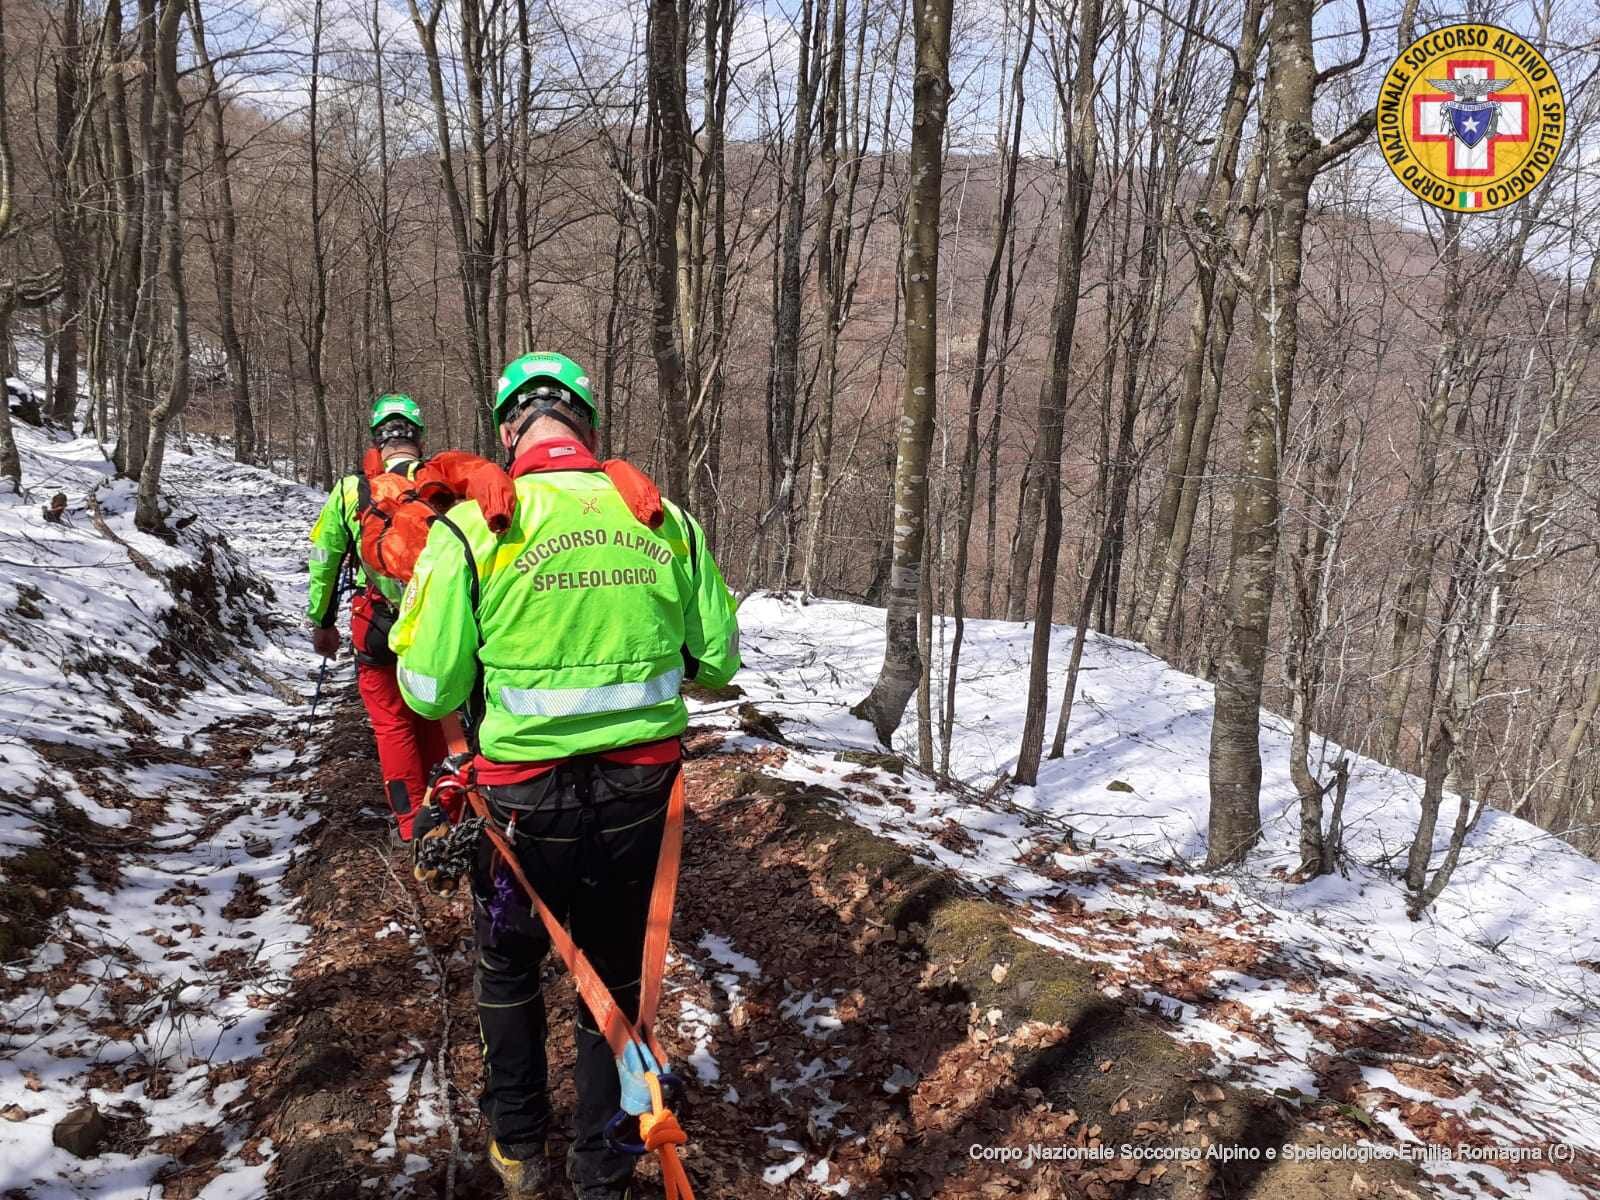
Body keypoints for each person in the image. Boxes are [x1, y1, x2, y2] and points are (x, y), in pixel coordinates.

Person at [391, 352, 739, 1200]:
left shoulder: (471, 530)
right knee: (612, 978)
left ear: (509, 430)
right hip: (636, 797)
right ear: (586, 426)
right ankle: (601, 1168)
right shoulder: (664, 519)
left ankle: (517, 1149)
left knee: (508, 962)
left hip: (517, 806)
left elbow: (428, 688)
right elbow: (719, 662)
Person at [305, 394, 448, 842]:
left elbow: (325, 559)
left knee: (392, 724)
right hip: (439, 626)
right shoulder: (443, 481)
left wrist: (322, 621)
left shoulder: (353, 491)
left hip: (378, 625)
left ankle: (411, 826)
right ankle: (444, 810)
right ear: (418, 438)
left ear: (376, 440)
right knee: (438, 715)